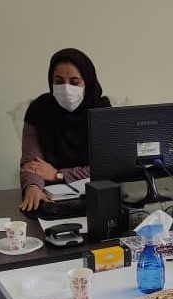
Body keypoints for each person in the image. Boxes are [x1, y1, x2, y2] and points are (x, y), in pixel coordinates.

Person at [19, 48, 111, 212]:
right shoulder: (39, 109)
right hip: (51, 197)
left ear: (87, 82)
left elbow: (105, 167)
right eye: (59, 81)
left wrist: (58, 175)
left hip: (97, 195)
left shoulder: (101, 111)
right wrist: (32, 186)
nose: (66, 88)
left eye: (74, 82)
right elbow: (32, 163)